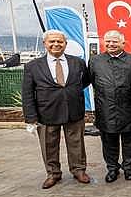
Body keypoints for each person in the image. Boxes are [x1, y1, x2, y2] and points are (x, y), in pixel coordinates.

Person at [21, 30, 91, 189]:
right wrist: (30, 117)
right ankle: (53, 173)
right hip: (46, 113)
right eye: (52, 41)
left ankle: (78, 170)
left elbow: (85, 81)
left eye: (59, 41)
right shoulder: (32, 66)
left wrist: (70, 93)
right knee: (49, 145)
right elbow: (27, 93)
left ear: (65, 44)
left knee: (77, 143)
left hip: (74, 110)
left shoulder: (78, 63)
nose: (56, 44)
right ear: (45, 44)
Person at [89, 30, 131, 183]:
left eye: (115, 41)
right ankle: (112, 168)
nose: (111, 44)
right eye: (108, 41)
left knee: (130, 140)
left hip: (130, 108)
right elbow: (91, 80)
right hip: (105, 108)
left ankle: (129, 168)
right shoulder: (95, 61)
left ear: (122, 43)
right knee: (108, 141)